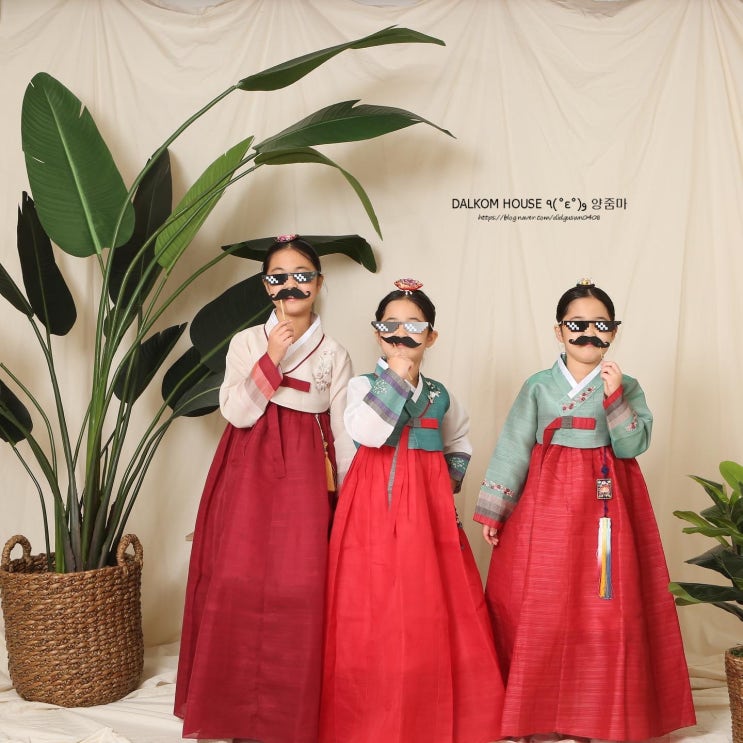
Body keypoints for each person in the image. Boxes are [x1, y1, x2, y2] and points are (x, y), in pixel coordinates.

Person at [474, 279, 696, 741]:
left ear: (613, 331)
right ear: (559, 331)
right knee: (540, 600)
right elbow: (515, 444)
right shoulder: (538, 386)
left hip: (606, 508)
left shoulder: (626, 385)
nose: (588, 333)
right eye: (576, 325)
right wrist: (496, 509)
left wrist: (614, 397)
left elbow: (632, 444)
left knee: (603, 600)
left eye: (600, 324)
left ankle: (593, 717)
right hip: (544, 506)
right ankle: (533, 717)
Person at [175, 235, 356, 743]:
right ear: (265, 286)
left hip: (305, 473)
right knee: (238, 578)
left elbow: (344, 433)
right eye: (279, 277)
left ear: (319, 283)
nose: (291, 285)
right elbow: (236, 412)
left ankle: (287, 715)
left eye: (302, 275)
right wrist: (272, 356)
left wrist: (349, 497)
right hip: (247, 467)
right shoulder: (245, 343)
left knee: (301, 584)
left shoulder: (335, 353)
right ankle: (236, 713)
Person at [320, 279, 504, 743]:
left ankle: (433, 704)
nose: (401, 334)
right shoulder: (362, 385)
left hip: (428, 505)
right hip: (373, 502)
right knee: (376, 596)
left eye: (414, 326)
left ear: (432, 336)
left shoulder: (441, 394)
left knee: (434, 594)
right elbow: (367, 433)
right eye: (390, 326)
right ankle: (373, 711)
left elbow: (458, 439)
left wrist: (446, 481)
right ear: (377, 333)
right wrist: (397, 379)